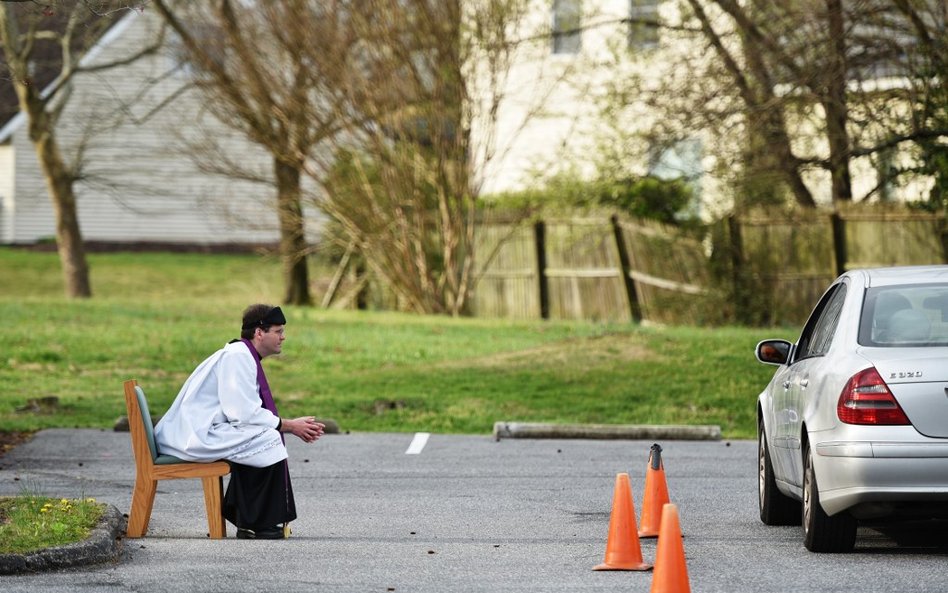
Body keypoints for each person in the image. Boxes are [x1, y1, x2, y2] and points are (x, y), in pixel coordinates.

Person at [154, 304, 324, 539]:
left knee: (263, 436)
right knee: (267, 437)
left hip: (199, 430)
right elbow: (242, 413)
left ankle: (249, 521)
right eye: (278, 331)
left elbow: (244, 413)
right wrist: (291, 425)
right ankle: (257, 523)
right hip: (193, 435)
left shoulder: (241, 354)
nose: (283, 337)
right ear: (259, 332)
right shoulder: (238, 356)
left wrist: (285, 424)